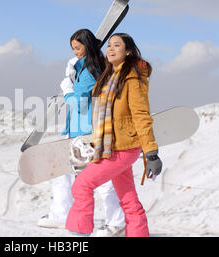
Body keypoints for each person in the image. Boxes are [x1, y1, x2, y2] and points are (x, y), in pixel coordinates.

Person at [65, 33, 163, 237]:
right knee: (128, 199)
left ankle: (77, 236)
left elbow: (141, 115)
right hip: (110, 146)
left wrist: (151, 153)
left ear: (127, 51)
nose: (111, 49)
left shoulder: (133, 78)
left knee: (82, 185)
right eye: (109, 45)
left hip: (123, 148)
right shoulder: (108, 76)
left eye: (117, 45)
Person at [37, 29, 126, 237]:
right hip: (78, 130)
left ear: (87, 46)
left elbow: (79, 102)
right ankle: (61, 215)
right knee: (62, 172)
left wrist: (68, 88)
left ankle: (117, 222)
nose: (75, 52)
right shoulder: (86, 67)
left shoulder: (89, 69)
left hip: (88, 132)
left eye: (78, 48)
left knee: (100, 178)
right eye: (73, 49)